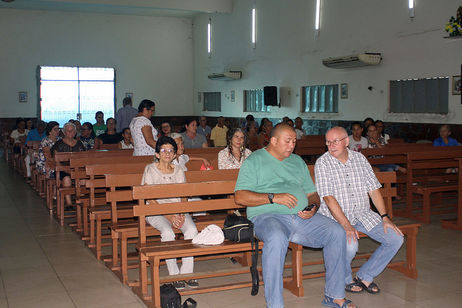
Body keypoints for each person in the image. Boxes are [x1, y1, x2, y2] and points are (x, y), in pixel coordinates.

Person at [235, 123, 355, 308]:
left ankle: (334, 295)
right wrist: (273, 198)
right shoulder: (255, 161)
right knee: (276, 237)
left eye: (294, 141)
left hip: (301, 217)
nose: (292, 145)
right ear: (273, 141)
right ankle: (275, 304)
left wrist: (313, 206)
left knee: (336, 231)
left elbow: (311, 194)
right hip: (267, 216)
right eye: (288, 141)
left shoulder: (297, 161)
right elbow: (240, 197)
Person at [315, 127, 404, 296]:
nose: (331, 145)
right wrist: (347, 225)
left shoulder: (360, 159)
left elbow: (373, 190)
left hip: (363, 214)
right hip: (336, 218)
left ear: (346, 142)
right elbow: (328, 198)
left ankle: (365, 276)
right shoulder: (323, 163)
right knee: (350, 245)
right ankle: (345, 278)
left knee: (395, 238)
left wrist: (385, 217)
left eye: (336, 141)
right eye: (328, 142)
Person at [141, 136, 199, 289]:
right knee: (168, 232)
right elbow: (149, 196)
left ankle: (186, 273)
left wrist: (179, 214)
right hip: (155, 211)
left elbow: (184, 194)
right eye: (163, 150)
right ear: (157, 154)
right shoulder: (150, 169)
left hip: (177, 209)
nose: (167, 153)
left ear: (174, 155)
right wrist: (168, 216)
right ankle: (174, 275)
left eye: (170, 151)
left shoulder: (178, 170)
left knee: (192, 230)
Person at [51, 122, 86, 206]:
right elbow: (56, 161)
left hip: (77, 169)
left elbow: (84, 158)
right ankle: (69, 203)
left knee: (84, 179)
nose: (70, 132)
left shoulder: (79, 143)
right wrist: (68, 170)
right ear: (64, 132)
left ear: (75, 132)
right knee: (67, 179)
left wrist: (78, 170)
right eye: (68, 131)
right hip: (62, 170)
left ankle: (80, 200)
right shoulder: (58, 144)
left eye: (72, 130)